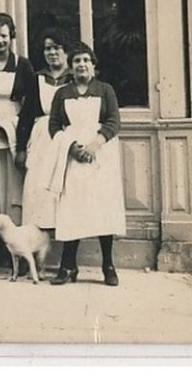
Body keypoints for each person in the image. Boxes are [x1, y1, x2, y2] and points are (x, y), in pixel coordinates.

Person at [48, 43, 126, 286]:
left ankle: (108, 266)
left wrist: (94, 144)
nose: (81, 65)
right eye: (76, 61)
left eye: (85, 60)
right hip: (73, 156)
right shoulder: (62, 93)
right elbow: (53, 125)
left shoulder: (105, 90)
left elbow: (114, 121)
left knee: (103, 207)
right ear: (70, 68)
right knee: (73, 208)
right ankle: (68, 266)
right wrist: (71, 148)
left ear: (93, 65)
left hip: (101, 155)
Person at [0, 13, 37, 231]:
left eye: (4, 36)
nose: (0, 41)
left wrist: (22, 142)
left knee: (14, 186)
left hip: (14, 130)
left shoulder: (22, 65)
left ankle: (16, 237)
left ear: (11, 36)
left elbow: (31, 104)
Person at [20, 27, 73, 230]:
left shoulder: (73, 78)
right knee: (38, 188)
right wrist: (21, 149)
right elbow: (26, 116)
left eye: (56, 48)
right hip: (42, 138)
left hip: (66, 137)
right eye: (47, 49)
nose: (51, 53)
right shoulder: (38, 78)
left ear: (66, 50)